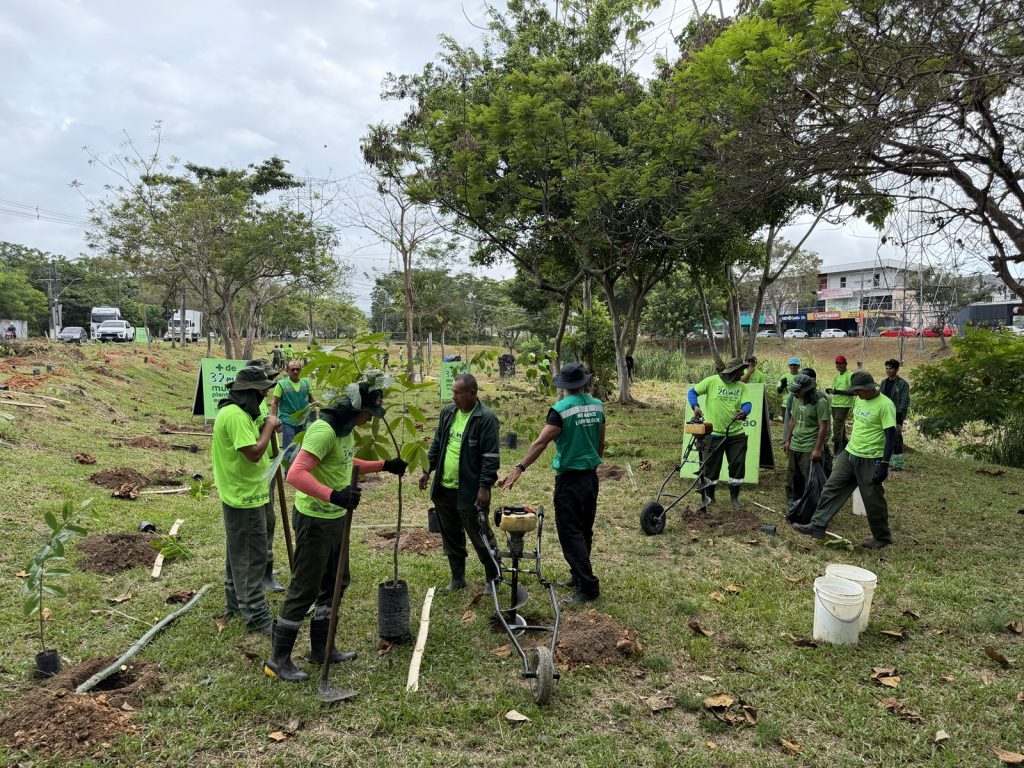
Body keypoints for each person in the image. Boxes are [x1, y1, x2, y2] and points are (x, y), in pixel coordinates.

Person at [264, 375, 408, 683]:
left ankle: (322, 649)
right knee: (305, 589)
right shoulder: (323, 430)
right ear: (355, 408)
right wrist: (334, 495)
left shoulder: (344, 431)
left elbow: (344, 462)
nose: (370, 420)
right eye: (369, 413)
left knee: (336, 583)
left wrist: (384, 465)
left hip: (335, 519)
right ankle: (277, 660)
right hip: (315, 519)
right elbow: (296, 474)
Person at [501, 363, 605, 605]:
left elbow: (540, 443)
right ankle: (577, 576)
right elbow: (601, 440)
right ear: (584, 383)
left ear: (564, 386)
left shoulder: (560, 410)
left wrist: (519, 468)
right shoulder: (597, 405)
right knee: (584, 529)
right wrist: (594, 462)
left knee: (570, 533)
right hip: (590, 477)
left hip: (570, 479)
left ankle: (588, 587)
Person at [211, 365, 281, 635]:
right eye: (262, 393)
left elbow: (264, 424)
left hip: (247, 492)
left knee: (238, 552)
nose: (265, 398)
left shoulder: (242, 411)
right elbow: (252, 452)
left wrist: (268, 423)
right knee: (252, 556)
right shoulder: (236, 416)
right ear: (249, 394)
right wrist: (268, 429)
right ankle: (257, 615)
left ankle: (236, 603)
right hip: (244, 497)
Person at [792, 371, 897, 549]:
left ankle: (882, 536)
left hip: (871, 458)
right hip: (850, 454)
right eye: (854, 390)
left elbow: (891, 436)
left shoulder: (885, 405)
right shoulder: (859, 399)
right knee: (831, 486)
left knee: (872, 499)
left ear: (869, 388)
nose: (856, 393)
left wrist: (884, 464)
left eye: (859, 390)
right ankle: (817, 525)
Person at [419, 373, 501, 592]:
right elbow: (437, 442)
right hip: (444, 487)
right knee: (451, 534)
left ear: (472, 394)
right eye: (452, 392)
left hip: (470, 490)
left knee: (479, 533)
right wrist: (427, 470)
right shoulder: (448, 412)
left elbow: (491, 457)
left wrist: (484, 487)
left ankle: (493, 577)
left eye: (458, 393)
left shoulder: (485, 418)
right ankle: (458, 577)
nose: (453, 396)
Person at [688, 358, 753, 508]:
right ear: (733, 372)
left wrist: (744, 412)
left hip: (736, 435)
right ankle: (710, 497)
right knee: (710, 467)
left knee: (737, 465)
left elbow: (747, 404)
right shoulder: (712, 381)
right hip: (714, 434)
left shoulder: (741, 387)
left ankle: (735, 498)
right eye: (740, 371)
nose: (743, 373)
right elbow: (692, 392)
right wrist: (695, 406)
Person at [246, 359, 286, 593]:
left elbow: (266, 423)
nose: (269, 386)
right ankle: (263, 572)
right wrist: (269, 426)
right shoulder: (249, 406)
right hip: (258, 473)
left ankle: (266, 566)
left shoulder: (261, 403)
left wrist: (273, 425)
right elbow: (256, 435)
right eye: (265, 381)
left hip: (269, 465)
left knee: (269, 521)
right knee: (264, 522)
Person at [782, 373, 831, 509]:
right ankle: (793, 501)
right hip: (795, 445)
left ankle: (811, 505)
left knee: (809, 478)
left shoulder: (820, 402)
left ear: (807, 389)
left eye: (798, 391)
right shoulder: (796, 399)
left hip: (809, 446)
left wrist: (817, 449)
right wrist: (788, 440)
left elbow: (823, 427)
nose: (796, 393)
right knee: (793, 475)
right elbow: (792, 420)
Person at [271, 360, 319, 451]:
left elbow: (311, 399)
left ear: (301, 370)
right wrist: (274, 421)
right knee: (290, 448)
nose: (295, 372)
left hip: (302, 420)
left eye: (297, 369)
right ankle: (289, 465)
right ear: (287, 371)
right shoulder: (281, 384)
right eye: (292, 369)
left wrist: (321, 406)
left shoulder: (306, 382)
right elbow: (275, 402)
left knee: (302, 446)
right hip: (288, 420)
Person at [880, 359, 910, 470]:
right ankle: (884, 461)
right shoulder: (883, 382)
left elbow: (905, 400)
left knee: (896, 438)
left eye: (891, 368)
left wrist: (899, 415)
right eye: (887, 368)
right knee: (883, 437)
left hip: (896, 415)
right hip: (884, 414)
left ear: (896, 369)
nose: (888, 371)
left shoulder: (903, 384)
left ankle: (897, 464)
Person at [825, 355, 855, 452]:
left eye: (841, 363)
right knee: (840, 426)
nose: (838, 365)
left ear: (845, 364)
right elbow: (835, 390)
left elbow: (853, 392)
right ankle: (844, 447)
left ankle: (836, 449)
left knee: (837, 427)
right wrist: (830, 391)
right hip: (835, 404)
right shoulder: (836, 376)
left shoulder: (850, 375)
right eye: (837, 363)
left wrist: (837, 392)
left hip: (844, 405)